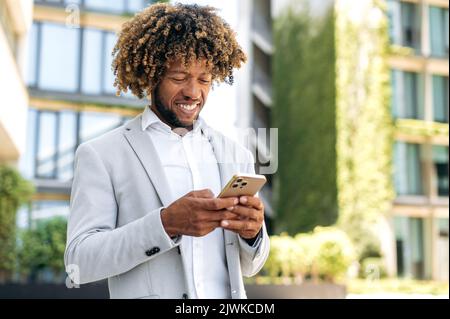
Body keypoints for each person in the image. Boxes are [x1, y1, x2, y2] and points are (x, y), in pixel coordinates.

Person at [64, 3, 269, 299]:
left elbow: (250, 266)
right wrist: (165, 224)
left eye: (204, 79)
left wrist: (253, 234)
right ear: (151, 76)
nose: (193, 92)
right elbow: (79, 261)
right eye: (178, 77)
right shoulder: (102, 154)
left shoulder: (236, 154)